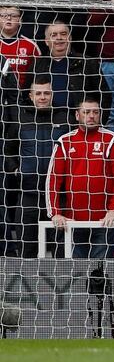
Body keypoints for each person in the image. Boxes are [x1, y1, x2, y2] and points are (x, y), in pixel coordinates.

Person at [45, 96, 114, 258]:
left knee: (100, 274)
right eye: (87, 112)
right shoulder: (65, 141)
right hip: (72, 222)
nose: (91, 116)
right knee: (76, 273)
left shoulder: (111, 139)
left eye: (95, 112)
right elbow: (53, 179)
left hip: (104, 222)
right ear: (77, 115)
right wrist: (55, 212)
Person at [4, 77, 72, 257]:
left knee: (61, 253)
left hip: (59, 198)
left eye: (47, 93)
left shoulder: (65, 118)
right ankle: (28, 286)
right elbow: (8, 151)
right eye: (38, 93)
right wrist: (16, 171)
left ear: (52, 94)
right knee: (27, 252)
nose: (43, 97)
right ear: (31, 95)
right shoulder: (20, 118)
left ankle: (62, 285)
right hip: (28, 196)